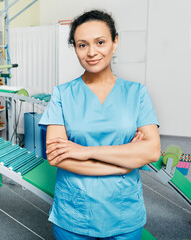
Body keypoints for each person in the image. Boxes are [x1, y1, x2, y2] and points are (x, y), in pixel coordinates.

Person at [39, 10, 160, 240]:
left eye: (100, 42)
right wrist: (123, 164)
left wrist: (83, 151)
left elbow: (151, 151)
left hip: (124, 214)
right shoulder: (62, 94)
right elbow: (57, 157)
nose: (92, 52)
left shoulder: (137, 93)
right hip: (74, 215)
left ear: (115, 43)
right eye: (82, 45)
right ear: (74, 48)